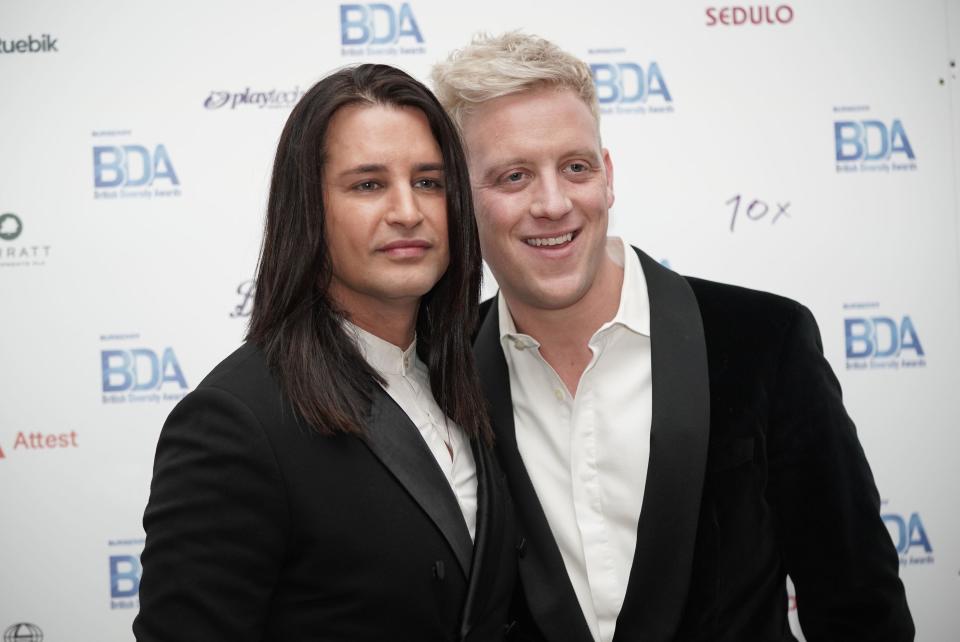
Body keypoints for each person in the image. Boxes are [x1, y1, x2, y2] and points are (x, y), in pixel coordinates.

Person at [432, 33, 914, 642]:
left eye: (575, 167)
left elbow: (859, 606)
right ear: (458, 199)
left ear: (607, 178)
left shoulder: (766, 341)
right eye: (513, 176)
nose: (553, 203)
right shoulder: (443, 372)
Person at [133, 63, 515, 642]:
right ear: (308, 209)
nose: (407, 211)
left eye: (429, 181)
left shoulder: (467, 374)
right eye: (368, 184)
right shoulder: (235, 422)